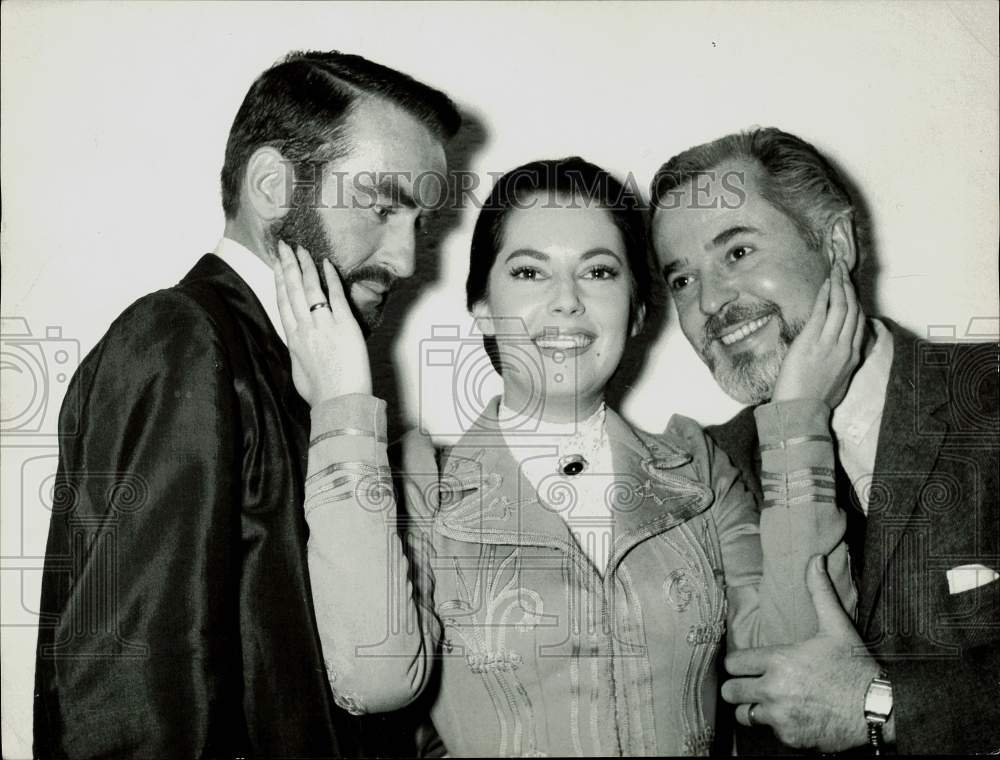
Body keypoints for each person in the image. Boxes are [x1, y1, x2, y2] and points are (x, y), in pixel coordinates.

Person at [276, 157, 860, 756]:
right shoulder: (418, 484)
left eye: (599, 272)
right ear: (481, 307)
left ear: (636, 312)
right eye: (529, 273)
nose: (566, 302)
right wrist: (343, 403)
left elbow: (800, 654)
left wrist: (799, 417)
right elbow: (375, 680)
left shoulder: (698, 471)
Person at [33, 50, 458, 758]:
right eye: (383, 207)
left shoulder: (302, 365)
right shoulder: (183, 338)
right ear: (271, 185)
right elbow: (131, 695)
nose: (408, 260)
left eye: (420, 223)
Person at [648, 127, 1000, 754]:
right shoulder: (703, 474)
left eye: (737, 253)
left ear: (836, 243)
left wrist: (882, 703)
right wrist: (796, 418)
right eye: (681, 280)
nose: (710, 302)